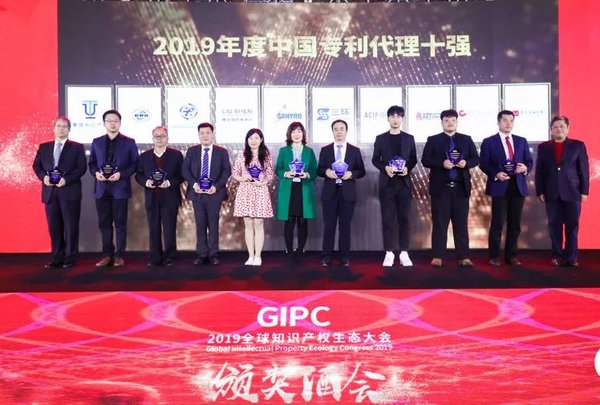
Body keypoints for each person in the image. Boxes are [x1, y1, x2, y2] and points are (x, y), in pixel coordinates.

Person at [422, 109, 479, 267]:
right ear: (442, 123)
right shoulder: (433, 140)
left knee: (461, 224)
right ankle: (437, 256)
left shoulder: (466, 139)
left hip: (461, 188)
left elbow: (476, 159)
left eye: (453, 120)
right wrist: (441, 163)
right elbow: (425, 160)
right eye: (446, 120)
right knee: (440, 224)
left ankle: (463, 256)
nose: (450, 123)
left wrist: (466, 163)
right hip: (441, 189)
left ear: (457, 122)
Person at [480, 110, 533, 267]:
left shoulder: (521, 141)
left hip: (518, 186)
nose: (508, 123)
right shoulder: (489, 142)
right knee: (497, 223)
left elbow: (529, 162)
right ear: (498, 122)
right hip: (499, 186)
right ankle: (494, 256)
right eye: (505, 120)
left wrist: (525, 168)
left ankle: (512, 256)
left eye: (511, 120)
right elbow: (484, 164)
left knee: (515, 224)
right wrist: (496, 174)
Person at [32, 116, 86, 269]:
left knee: (70, 227)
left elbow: (81, 168)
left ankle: (70, 258)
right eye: (58, 126)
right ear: (54, 128)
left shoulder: (77, 147)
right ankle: (57, 258)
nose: (61, 129)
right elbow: (37, 166)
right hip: (50, 193)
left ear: (69, 129)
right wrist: (44, 177)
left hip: (69, 192)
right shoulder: (44, 147)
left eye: (64, 126)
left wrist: (66, 179)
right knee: (54, 227)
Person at [535, 115, 589, 267]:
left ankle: (572, 257)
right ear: (551, 130)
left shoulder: (578, 146)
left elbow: (583, 170)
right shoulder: (543, 147)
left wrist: (584, 191)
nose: (558, 129)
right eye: (555, 127)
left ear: (567, 129)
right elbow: (539, 171)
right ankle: (557, 256)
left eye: (561, 126)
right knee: (554, 226)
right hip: (551, 192)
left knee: (572, 226)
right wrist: (540, 191)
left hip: (573, 192)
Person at [89, 110, 139, 268]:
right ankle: (107, 255)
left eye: (115, 120)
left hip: (120, 188)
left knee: (120, 224)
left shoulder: (129, 142)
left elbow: (135, 164)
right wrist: (96, 173)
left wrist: (121, 175)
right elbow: (92, 164)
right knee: (104, 223)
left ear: (120, 123)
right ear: (104, 123)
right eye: (109, 121)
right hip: (101, 189)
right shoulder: (97, 142)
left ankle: (119, 255)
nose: (112, 123)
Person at [371, 106, 417, 267]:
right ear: (388, 118)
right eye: (392, 116)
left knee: (405, 219)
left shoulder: (409, 138)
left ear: (402, 119)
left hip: (404, 185)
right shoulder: (381, 138)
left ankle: (404, 252)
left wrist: (407, 168)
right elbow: (375, 159)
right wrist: (385, 168)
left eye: (398, 116)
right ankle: (389, 252)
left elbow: (413, 158)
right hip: (387, 185)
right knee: (388, 219)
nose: (395, 119)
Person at [317, 120, 366, 267]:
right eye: (336, 129)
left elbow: (361, 170)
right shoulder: (325, 150)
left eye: (341, 129)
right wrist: (326, 171)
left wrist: (352, 174)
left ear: (346, 131)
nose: (339, 132)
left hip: (348, 194)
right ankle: (326, 256)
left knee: (345, 227)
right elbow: (319, 170)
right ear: (332, 131)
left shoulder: (354, 150)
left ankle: (344, 257)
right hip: (330, 193)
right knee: (329, 226)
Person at [182, 122, 231, 266]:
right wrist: (194, 185)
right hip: (197, 193)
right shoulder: (192, 151)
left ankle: (213, 254)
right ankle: (201, 254)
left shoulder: (222, 152)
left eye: (208, 133)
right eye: (202, 133)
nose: (205, 136)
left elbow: (226, 171)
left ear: (213, 134)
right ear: (198, 135)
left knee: (213, 225)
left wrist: (216, 186)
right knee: (200, 224)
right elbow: (185, 170)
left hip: (215, 193)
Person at [135, 126, 184, 267]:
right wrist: (146, 182)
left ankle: (169, 257)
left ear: (167, 138)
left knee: (169, 229)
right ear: (152, 138)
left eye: (162, 136)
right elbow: (139, 175)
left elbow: (182, 175)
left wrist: (169, 182)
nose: (159, 139)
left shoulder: (176, 155)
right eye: (156, 136)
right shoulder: (144, 156)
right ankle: (155, 258)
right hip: (152, 197)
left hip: (170, 197)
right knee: (153, 229)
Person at [275, 121, 318, 263]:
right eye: (293, 131)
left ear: (303, 134)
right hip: (289, 189)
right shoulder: (284, 151)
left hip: (303, 189)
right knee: (289, 221)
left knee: (302, 221)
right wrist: (286, 173)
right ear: (289, 134)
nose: (296, 134)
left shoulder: (309, 151)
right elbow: (278, 169)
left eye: (299, 131)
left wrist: (307, 174)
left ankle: (300, 250)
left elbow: (314, 170)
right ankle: (289, 250)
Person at [231, 128, 274, 266]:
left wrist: (263, 182)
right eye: (250, 138)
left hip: (260, 191)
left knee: (259, 223)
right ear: (247, 140)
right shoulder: (242, 155)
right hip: (245, 191)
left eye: (256, 138)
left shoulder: (266, 155)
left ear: (261, 140)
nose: (253, 141)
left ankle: (258, 256)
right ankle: (250, 256)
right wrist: (243, 178)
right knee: (248, 224)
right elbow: (235, 173)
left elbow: (270, 174)